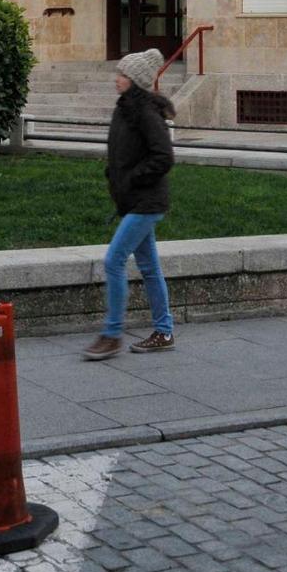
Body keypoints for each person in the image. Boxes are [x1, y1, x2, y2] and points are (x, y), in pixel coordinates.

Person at [84, 48, 176, 360]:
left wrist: (133, 178)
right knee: (149, 267)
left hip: (146, 201)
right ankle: (164, 331)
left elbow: (164, 157)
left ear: (135, 81)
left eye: (123, 75)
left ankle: (111, 334)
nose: (117, 79)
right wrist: (115, 174)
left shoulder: (147, 113)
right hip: (132, 200)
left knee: (114, 260)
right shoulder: (124, 109)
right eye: (118, 73)